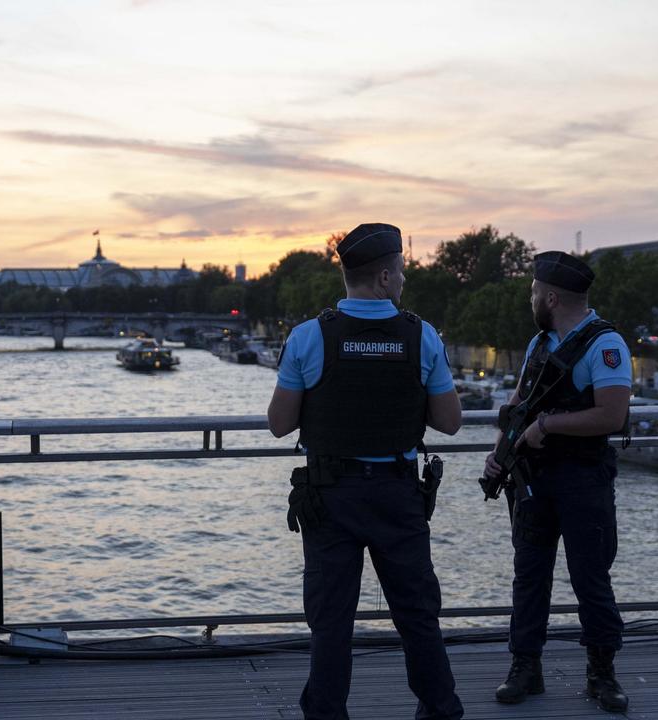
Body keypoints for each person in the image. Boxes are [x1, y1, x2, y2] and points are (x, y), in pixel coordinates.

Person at [268, 222, 465, 720]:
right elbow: (449, 422)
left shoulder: (309, 336)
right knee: (417, 615)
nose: (402, 281)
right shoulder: (422, 336)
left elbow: (279, 424)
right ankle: (440, 708)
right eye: (399, 272)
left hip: (330, 496)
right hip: (398, 495)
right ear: (382, 276)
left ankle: (327, 713)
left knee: (331, 621)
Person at [484, 251, 631, 712]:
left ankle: (601, 674)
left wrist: (548, 428)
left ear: (550, 296)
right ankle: (525, 667)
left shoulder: (606, 346)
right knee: (528, 576)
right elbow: (519, 405)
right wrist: (499, 452)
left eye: (532, 292)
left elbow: (612, 414)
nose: (530, 299)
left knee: (590, 578)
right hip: (533, 478)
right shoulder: (539, 344)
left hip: (583, 479)